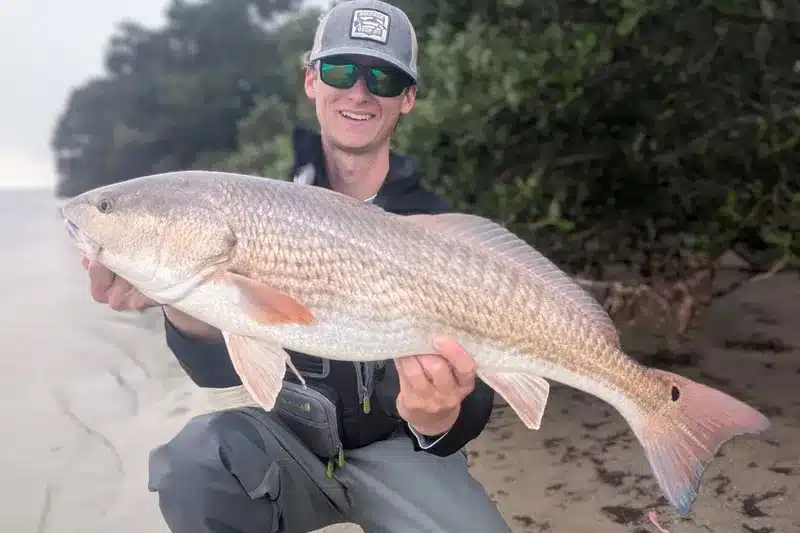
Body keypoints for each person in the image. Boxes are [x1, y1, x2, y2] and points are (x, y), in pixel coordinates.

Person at [82, 1, 513, 532]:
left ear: (407, 98)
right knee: (194, 464)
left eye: (381, 77)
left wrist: (438, 419)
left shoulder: (440, 230)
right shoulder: (257, 206)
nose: (358, 91)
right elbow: (218, 369)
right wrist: (182, 305)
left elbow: (478, 387)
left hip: (404, 451)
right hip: (289, 444)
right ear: (312, 81)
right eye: (339, 71)